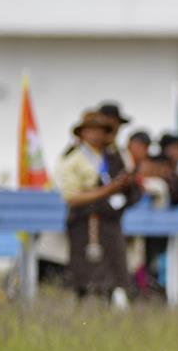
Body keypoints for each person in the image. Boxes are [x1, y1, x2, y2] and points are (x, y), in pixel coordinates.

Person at [56, 110, 136, 308]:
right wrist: (108, 190)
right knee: (85, 272)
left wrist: (123, 187)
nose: (96, 135)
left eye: (100, 131)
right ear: (82, 133)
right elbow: (72, 198)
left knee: (114, 270)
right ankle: (83, 309)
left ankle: (109, 308)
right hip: (85, 221)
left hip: (109, 221)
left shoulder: (113, 157)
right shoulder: (72, 160)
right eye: (91, 130)